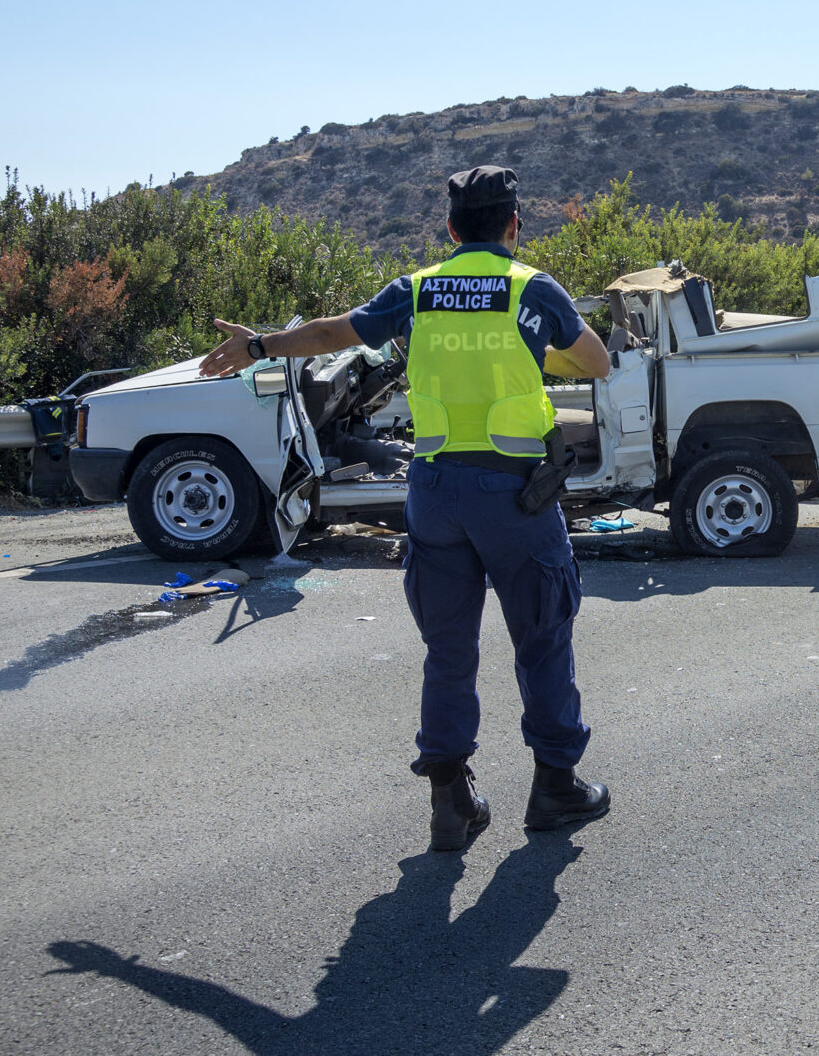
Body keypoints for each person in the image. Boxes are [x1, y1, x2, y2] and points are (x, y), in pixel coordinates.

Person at [198, 166, 614, 852]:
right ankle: (554, 787)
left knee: (447, 647)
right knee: (542, 633)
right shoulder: (531, 288)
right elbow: (595, 362)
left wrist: (259, 344)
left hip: (436, 489)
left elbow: (337, 333)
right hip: (515, 493)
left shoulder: (417, 290)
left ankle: (451, 800)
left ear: (450, 230)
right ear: (513, 225)